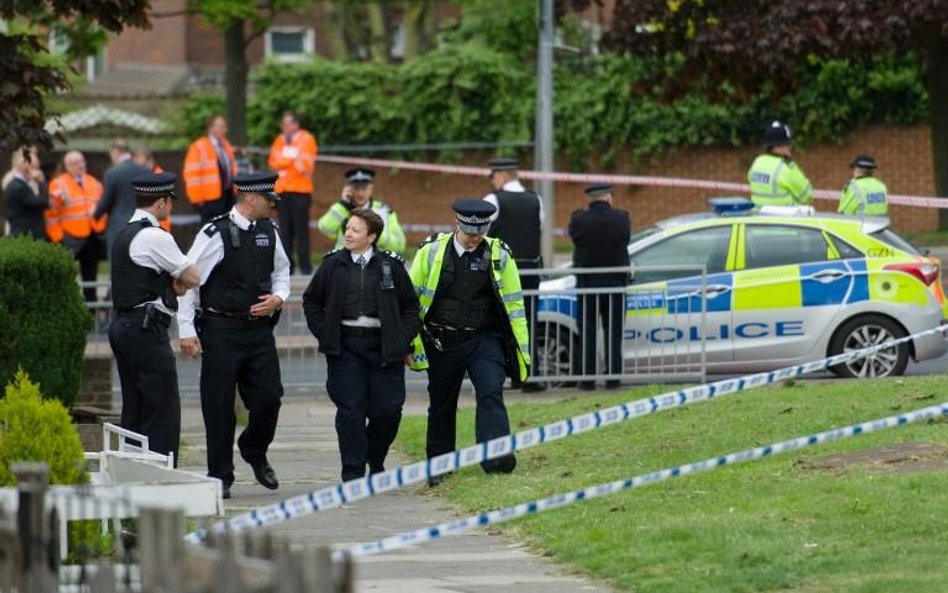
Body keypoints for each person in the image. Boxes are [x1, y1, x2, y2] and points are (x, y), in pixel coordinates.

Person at [177, 172, 291, 499]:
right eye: (269, 200)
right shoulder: (215, 232)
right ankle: (220, 476)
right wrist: (186, 330)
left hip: (257, 332)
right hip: (220, 330)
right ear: (251, 199)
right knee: (218, 405)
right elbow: (188, 279)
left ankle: (254, 450)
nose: (273, 205)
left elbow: (281, 271)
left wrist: (279, 297)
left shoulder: (270, 230)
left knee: (270, 398)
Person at [407, 199, 530, 486]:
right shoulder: (432, 251)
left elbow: (515, 303)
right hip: (443, 341)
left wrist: (522, 350)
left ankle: (496, 458)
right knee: (441, 404)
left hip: (484, 339)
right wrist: (410, 343)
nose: (474, 236)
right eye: (468, 230)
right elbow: (410, 301)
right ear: (457, 224)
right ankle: (440, 466)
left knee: (490, 392)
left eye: (479, 231)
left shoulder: (499, 254)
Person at [303, 208, 419, 482]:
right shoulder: (332, 265)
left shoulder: (391, 265)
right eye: (348, 228)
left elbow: (411, 306)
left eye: (356, 230)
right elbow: (312, 301)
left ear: (372, 237)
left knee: (388, 410)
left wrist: (402, 340)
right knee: (351, 412)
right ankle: (353, 473)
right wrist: (324, 332)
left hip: (384, 348)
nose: (348, 234)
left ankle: (374, 458)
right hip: (346, 348)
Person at [108, 172, 200, 465]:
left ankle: (131, 466)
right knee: (162, 405)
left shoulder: (126, 232)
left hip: (125, 326)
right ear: (161, 202)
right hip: (145, 329)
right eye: (169, 201)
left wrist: (172, 281)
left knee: (135, 404)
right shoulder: (155, 236)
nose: (170, 207)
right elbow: (193, 277)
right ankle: (161, 470)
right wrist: (178, 279)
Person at [482, 157, 545, 392]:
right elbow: (538, 228)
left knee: (498, 324)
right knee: (527, 323)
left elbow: (478, 233)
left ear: (502, 175)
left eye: (493, 177)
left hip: (501, 273)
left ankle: (501, 376)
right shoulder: (536, 200)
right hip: (531, 271)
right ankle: (530, 375)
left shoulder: (493, 200)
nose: (492, 181)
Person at [568, 183, 630, 391]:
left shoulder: (579, 220)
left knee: (588, 332)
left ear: (590, 200)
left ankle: (587, 378)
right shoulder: (622, 218)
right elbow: (624, 239)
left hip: (588, 285)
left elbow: (575, 238)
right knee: (614, 331)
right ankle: (613, 378)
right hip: (615, 284)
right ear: (608, 197)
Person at [46, 151, 106, 303]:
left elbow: (103, 209)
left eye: (81, 161)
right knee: (66, 278)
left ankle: (91, 316)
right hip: (69, 237)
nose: (80, 165)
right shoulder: (58, 184)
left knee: (90, 278)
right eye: (74, 163)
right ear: (66, 167)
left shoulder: (95, 183)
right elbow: (51, 214)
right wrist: (58, 237)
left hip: (92, 236)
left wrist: (100, 228)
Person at [268, 110, 318, 274]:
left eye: (286, 123)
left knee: (301, 230)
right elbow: (273, 162)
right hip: (282, 191)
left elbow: (304, 165)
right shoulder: (279, 140)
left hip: (300, 191)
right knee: (285, 230)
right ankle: (288, 267)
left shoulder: (307, 139)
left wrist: (286, 162)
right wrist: (290, 159)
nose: (283, 126)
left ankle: (305, 267)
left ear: (295, 125)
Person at [317, 168, 406, 255]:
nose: (360, 193)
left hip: (375, 265)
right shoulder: (341, 208)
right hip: (344, 265)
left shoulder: (384, 211)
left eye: (364, 188)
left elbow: (399, 246)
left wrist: (377, 235)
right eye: (356, 189)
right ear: (348, 189)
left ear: (371, 189)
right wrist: (343, 205)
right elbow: (325, 228)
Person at [94, 139, 152, 256]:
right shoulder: (145, 171)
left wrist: (96, 214)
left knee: (118, 265)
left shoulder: (112, 173)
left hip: (118, 227)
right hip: (142, 225)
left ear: (115, 152)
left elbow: (107, 201)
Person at [183, 115, 238, 224]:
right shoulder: (198, 147)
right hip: (209, 200)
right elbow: (191, 175)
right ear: (211, 128)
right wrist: (198, 200)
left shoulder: (225, 145)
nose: (224, 130)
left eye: (225, 127)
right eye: (221, 127)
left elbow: (231, 169)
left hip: (228, 196)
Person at [747, 121, 812, 207]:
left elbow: (750, 181)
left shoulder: (757, 162)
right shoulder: (787, 167)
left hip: (758, 217)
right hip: (783, 219)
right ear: (780, 145)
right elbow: (806, 196)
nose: (790, 147)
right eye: (788, 144)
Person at [3, 147, 48, 239]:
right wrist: (42, 182)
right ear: (26, 167)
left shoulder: (20, 184)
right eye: (34, 168)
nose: (38, 171)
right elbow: (43, 202)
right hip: (25, 234)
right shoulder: (18, 186)